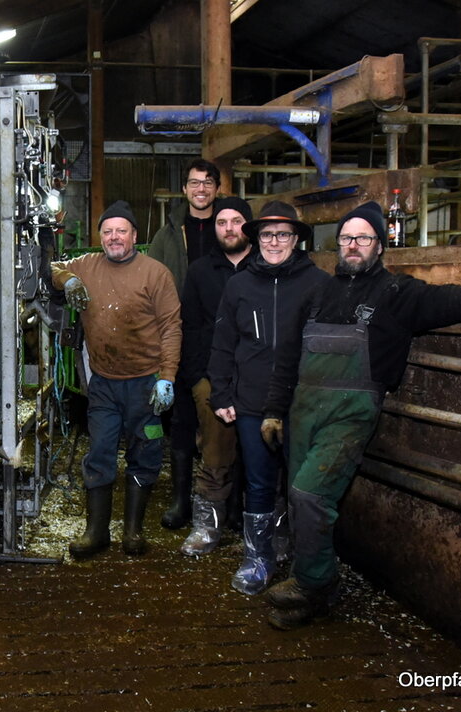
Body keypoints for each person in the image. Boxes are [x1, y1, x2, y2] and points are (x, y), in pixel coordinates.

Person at [261, 201, 461, 629]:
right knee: (298, 496)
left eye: (363, 237)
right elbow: (287, 355)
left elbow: (452, 299)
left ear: (380, 245)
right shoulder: (318, 293)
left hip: (350, 413)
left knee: (310, 494)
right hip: (303, 409)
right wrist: (273, 410)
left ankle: (315, 584)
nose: (353, 245)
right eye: (346, 238)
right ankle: (309, 591)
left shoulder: (397, 293)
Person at [208, 201, 328, 595]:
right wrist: (221, 392)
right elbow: (223, 343)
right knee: (258, 482)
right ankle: (258, 557)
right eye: (267, 235)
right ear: (256, 239)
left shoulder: (318, 284)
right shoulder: (239, 285)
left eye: (283, 234)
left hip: (304, 402)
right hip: (252, 401)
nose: (274, 242)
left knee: (301, 484)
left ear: (296, 239)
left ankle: (300, 555)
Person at [51, 201, 182, 558]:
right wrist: (71, 279)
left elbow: (171, 327)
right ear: (101, 237)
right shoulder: (88, 265)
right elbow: (55, 268)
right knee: (100, 452)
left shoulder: (156, 274)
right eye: (107, 231)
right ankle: (97, 533)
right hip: (104, 383)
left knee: (145, 451)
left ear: (134, 236)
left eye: (121, 231)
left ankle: (133, 531)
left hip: (146, 383)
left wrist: (167, 377)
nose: (114, 237)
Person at [147, 159, 222, 530]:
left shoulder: (232, 227)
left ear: (217, 189)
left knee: (224, 416)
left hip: (225, 335)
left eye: (208, 183)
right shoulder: (169, 233)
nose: (201, 189)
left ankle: (222, 499)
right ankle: (181, 500)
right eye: (194, 183)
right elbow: (149, 280)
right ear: (185, 190)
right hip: (182, 334)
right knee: (181, 419)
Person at [176, 197, 253, 556]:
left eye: (236, 221)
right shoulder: (200, 271)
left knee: (263, 452)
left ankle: (259, 529)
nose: (229, 228)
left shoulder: (264, 267)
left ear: (247, 226)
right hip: (210, 374)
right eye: (222, 222)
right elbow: (189, 326)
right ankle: (208, 527)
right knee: (215, 451)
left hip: (257, 376)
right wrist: (195, 377)